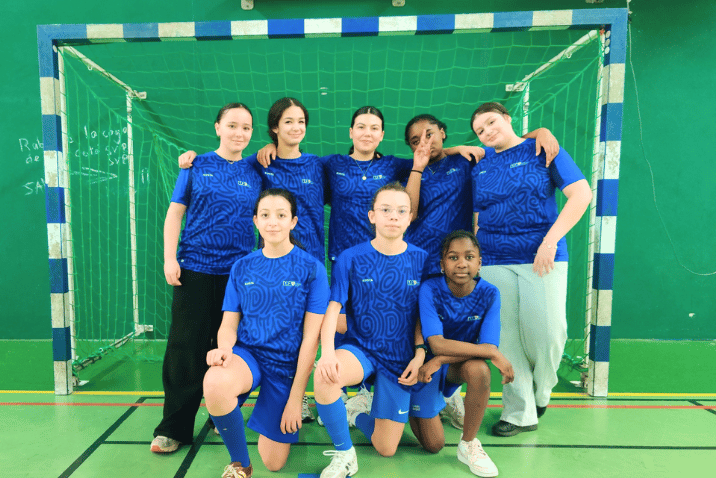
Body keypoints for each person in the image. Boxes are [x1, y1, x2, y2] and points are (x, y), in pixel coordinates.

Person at [404, 114, 559, 428]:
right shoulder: (410, 168)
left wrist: (540, 131)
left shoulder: (468, 161)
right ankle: (418, 395)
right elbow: (409, 211)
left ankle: (451, 394)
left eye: (430, 134)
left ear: (443, 132)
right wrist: (420, 164)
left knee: (461, 331)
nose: (424, 143)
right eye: (415, 140)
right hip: (420, 261)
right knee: (419, 330)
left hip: (457, 261)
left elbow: (504, 142)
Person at [470, 102, 592, 437]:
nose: (487, 131)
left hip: (542, 256)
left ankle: (542, 389)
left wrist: (550, 241)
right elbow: (479, 213)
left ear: (507, 118)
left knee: (548, 332)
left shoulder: (543, 148)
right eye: (480, 130)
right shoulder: (481, 163)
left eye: (491, 122)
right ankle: (519, 412)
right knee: (507, 339)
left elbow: (581, 194)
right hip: (494, 259)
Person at [152, 103, 261, 454]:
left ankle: (222, 411)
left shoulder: (256, 170)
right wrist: (170, 258)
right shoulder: (195, 165)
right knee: (186, 349)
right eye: (232, 125)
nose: (239, 133)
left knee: (235, 347)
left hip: (239, 275)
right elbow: (175, 214)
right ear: (217, 127)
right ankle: (174, 428)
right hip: (196, 270)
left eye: (246, 127)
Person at [203, 188, 329, 478]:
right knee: (214, 382)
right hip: (248, 355)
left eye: (281, 215)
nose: (273, 222)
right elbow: (229, 324)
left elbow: (311, 340)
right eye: (265, 215)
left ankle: (272, 410)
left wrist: (296, 398)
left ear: (293, 221)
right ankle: (240, 465)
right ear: (256, 221)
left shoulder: (312, 269)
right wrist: (224, 349)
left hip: (285, 366)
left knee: (273, 462)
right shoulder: (241, 267)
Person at [313, 181, 429, 478]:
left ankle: (356, 414)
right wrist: (327, 353)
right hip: (361, 349)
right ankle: (344, 453)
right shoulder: (350, 258)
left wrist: (419, 354)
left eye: (401, 211)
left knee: (386, 447)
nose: (393, 216)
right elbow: (333, 308)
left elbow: (423, 316)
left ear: (410, 217)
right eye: (385, 209)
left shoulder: (422, 259)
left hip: (400, 358)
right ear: (372, 216)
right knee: (325, 377)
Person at [410, 230, 514, 477]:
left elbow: (488, 348)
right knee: (433, 445)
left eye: (469, 257)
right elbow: (437, 344)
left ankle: (468, 444)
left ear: (479, 263)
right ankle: (422, 404)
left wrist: (441, 359)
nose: (461, 264)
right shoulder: (430, 289)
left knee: (480, 370)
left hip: (453, 365)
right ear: (442, 264)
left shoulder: (490, 293)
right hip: (424, 368)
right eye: (453, 257)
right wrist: (491, 353)